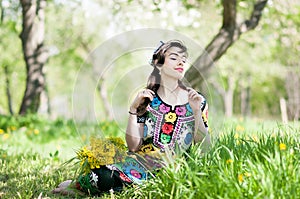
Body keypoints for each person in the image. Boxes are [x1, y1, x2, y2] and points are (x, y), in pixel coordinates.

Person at [52, 39, 211, 196]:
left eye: (184, 59)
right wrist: (133, 109)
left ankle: (84, 188)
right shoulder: (147, 99)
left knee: (106, 178)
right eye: (174, 58)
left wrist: (196, 112)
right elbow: (134, 146)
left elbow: (205, 149)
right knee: (103, 172)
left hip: (176, 171)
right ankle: (85, 185)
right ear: (158, 63)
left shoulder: (197, 100)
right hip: (141, 165)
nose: (181, 63)